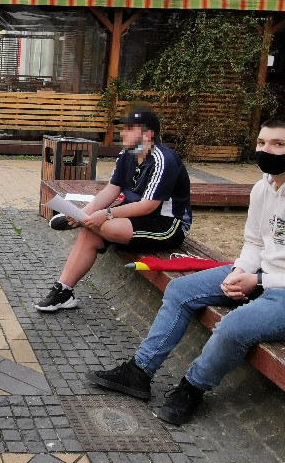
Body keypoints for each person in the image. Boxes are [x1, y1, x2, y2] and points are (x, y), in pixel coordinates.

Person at [88, 117, 285, 425]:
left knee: (233, 327)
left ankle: (192, 388)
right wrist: (241, 270)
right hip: (257, 274)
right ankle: (139, 372)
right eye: (262, 143)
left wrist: (259, 280)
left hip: (280, 290)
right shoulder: (263, 188)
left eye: (278, 144)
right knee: (180, 291)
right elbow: (254, 241)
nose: (267, 150)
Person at [35, 109, 192, 312]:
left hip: (168, 223)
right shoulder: (127, 154)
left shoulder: (163, 159)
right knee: (90, 229)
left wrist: (106, 214)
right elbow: (111, 190)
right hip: (136, 214)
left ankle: (83, 223)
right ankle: (63, 291)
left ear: (148, 135)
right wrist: (83, 213)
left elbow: (149, 205)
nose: (122, 133)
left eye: (129, 129)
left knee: (101, 226)